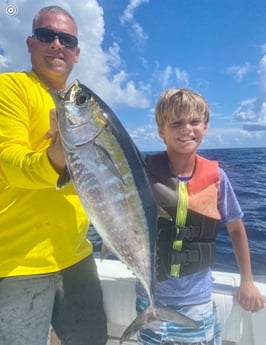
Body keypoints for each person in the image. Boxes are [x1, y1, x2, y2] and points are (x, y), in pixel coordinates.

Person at [0, 6, 107, 345]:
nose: (57, 44)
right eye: (47, 36)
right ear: (31, 43)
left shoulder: (82, 104)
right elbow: (8, 162)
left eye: (67, 39)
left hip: (78, 253)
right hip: (21, 262)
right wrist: (57, 156)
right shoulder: (10, 87)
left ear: (77, 53)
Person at [136, 88, 265, 345]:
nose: (186, 129)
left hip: (197, 299)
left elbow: (237, 230)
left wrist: (247, 281)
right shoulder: (141, 175)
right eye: (176, 123)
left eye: (195, 122)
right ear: (161, 132)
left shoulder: (217, 179)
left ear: (205, 128)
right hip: (150, 298)